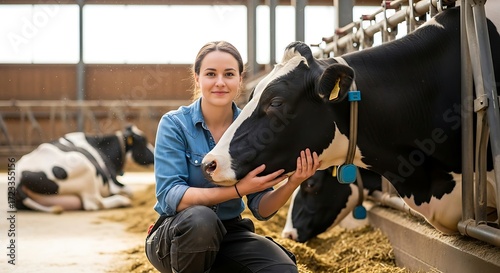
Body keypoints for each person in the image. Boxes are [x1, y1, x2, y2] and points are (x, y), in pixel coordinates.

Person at [145, 41, 320, 273]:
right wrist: (238, 190)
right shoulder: (175, 124)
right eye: (210, 74)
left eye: (229, 74)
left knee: (282, 269)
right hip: (177, 235)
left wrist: (293, 183)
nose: (220, 82)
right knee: (201, 220)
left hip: (230, 233)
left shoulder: (255, 129)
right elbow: (170, 195)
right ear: (197, 78)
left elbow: (262, 209)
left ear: (240, 79)